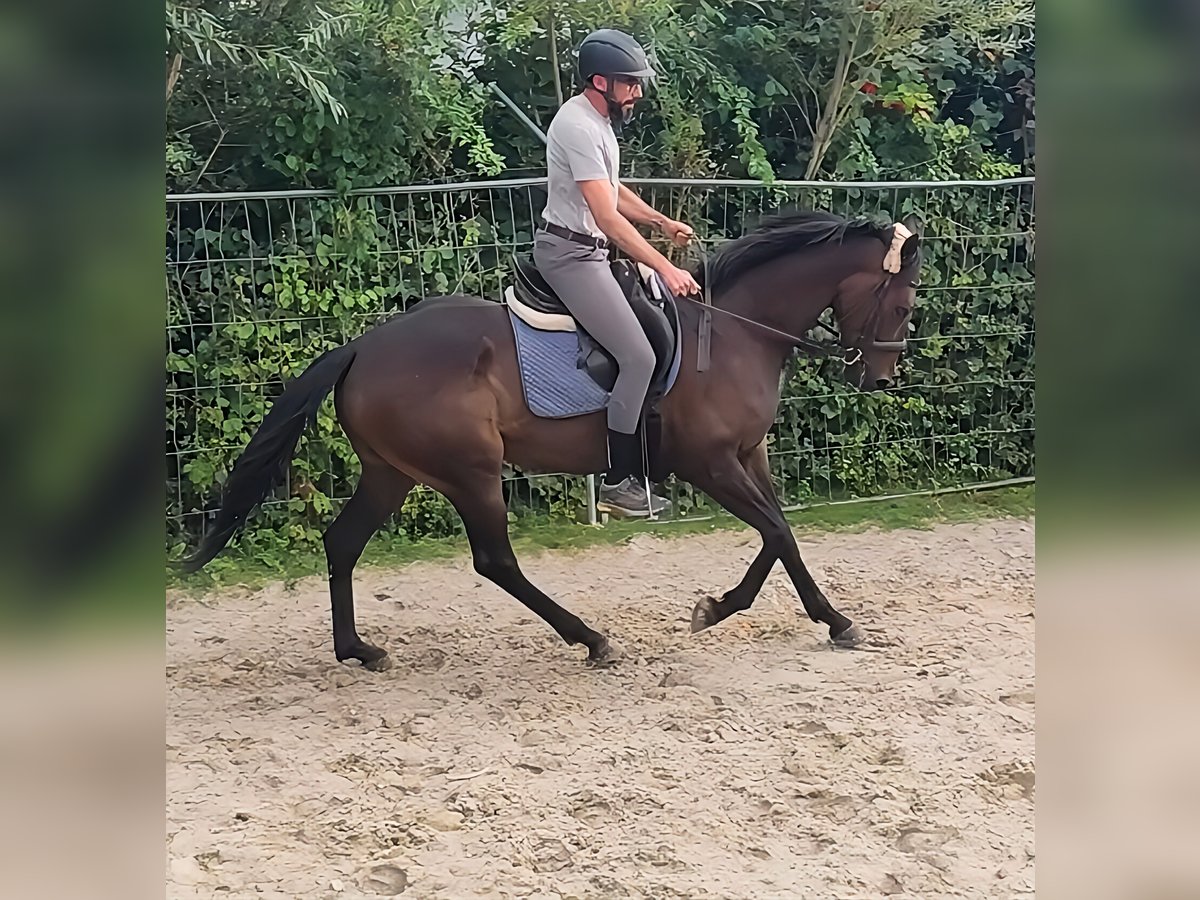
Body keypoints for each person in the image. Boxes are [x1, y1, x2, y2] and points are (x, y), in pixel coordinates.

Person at [532, 28, 702, 518]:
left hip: (592, 251)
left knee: (653, 335)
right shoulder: (580, 126)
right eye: (631, 83)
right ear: (600, 81)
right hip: (571, 256)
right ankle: (619, 483)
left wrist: (661, 221)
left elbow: (612, 190)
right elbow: (606, 217)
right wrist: (665, 266)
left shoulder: (599, 119)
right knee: (637, 357)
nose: (639, 92)